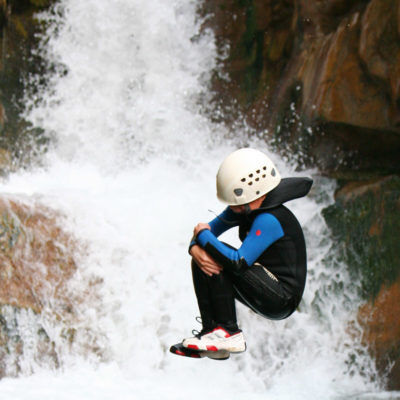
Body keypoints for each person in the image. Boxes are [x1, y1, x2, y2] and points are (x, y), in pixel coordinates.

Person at [180, 148, 313, 356]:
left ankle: (228, 333)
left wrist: (201, 237)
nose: (233, 208)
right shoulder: (244, 207)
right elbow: (207, 231)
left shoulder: (269, 218)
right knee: (203, 259)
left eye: (237, 204)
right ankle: (211, 332)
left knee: (222, 256)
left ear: (255, 192)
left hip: (281, 299)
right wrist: (194, 249)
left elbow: (238, 261)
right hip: (260, 283)